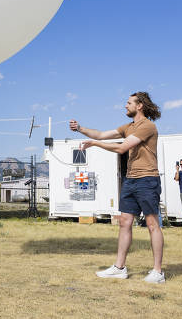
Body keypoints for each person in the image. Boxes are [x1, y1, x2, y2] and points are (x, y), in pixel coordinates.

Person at [69, 92, 165, 284]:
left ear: (140, 106)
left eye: (129, 103)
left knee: (152, 224)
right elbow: (102, 134)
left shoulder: (147, 126)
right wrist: (80, 128)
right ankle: (119, 268)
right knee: (124, 222)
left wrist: (96, 144)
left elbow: (122, 148)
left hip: (147, 180)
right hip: (130, 180)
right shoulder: (128, 127)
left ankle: (157, 272)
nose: (125, 106)